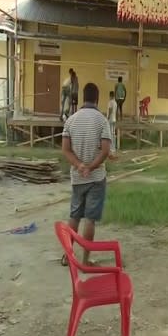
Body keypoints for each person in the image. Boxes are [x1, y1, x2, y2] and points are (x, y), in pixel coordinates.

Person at [61, 83, 112, 266]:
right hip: (96, 178)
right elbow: (105, 150)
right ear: (97, 98)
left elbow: (65, 150)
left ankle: (68, 256)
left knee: (74, 216)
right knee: (90, 219)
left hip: (77, 178)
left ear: (83, 97)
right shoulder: (102, 120)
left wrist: (80, 165)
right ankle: (85, 259)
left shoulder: (71, 120)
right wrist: (91, 167)